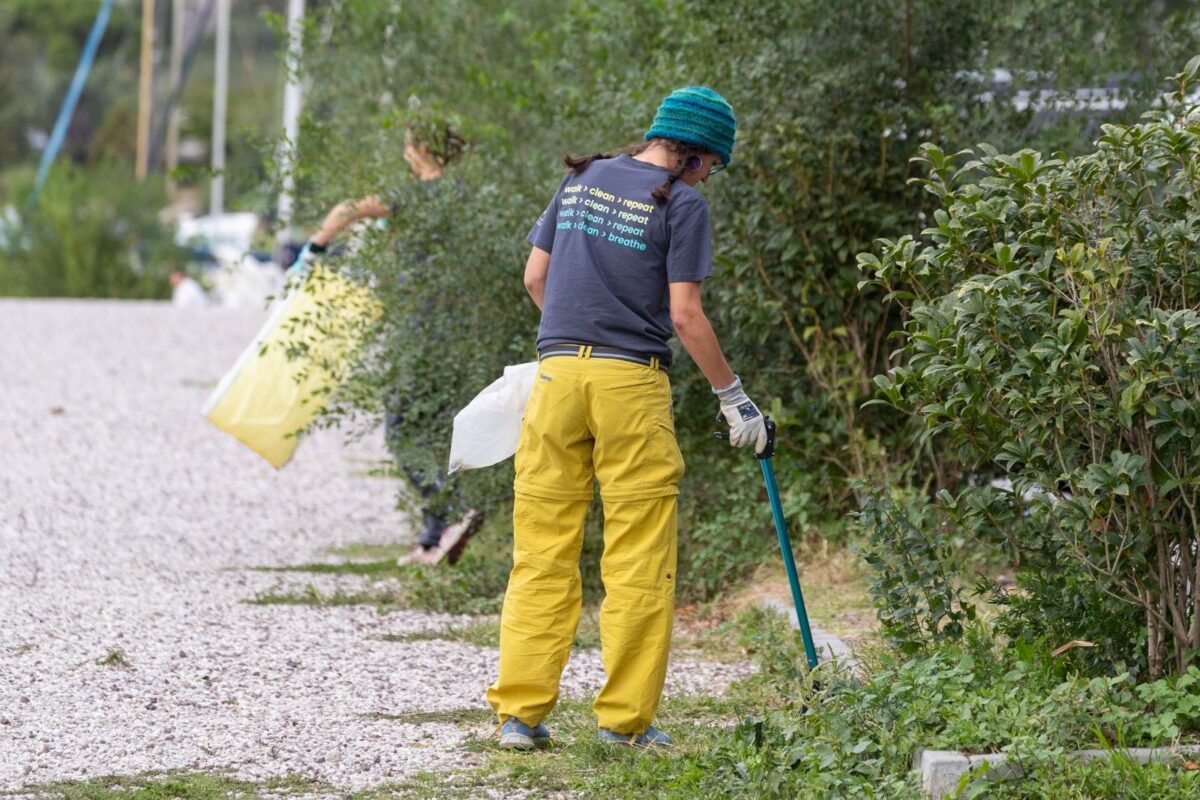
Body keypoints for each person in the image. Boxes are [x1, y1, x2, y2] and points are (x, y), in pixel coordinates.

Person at [486, 86, 767, 751]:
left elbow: (533, 277)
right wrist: (734, 397)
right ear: (695, 155)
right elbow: (686, 316)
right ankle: (624, 723)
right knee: (638, 555)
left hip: (556, 377)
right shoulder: (684, 204)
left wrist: (572, 336)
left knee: (543, 552)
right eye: (711, 166)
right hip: (629, 385)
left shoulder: (581, 179)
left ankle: (520, 718)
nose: (708, 179)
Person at [295, 118, 482, 566]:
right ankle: (432, 539)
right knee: (437, 427)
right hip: (458, 326)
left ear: (420, 149)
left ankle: (452, 510)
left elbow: (348, 209)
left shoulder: (414, 196)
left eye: (406, 147)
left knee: (400, 430)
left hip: (420, 328)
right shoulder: (464, 197)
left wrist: (315, 248)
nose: (403, 154)